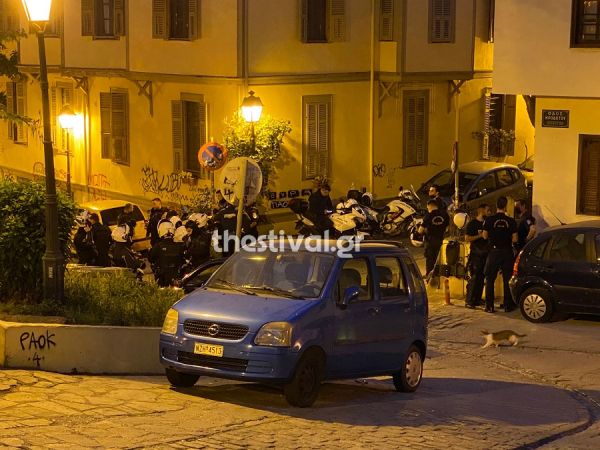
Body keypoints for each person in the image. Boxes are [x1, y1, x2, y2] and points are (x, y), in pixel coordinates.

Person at [482, 196, 518, 313]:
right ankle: (508, 305)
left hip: (494, 251)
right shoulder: (511, 221)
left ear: (496, 205)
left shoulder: (489, 220)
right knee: (507, 279)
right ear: (505, 206)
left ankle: (489, 306)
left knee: (490, 279)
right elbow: (515, 239)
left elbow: (485, 236)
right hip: (507, 252)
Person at [465, 204, 490, 309]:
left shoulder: (487, 223)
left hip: (485, 254)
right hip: (476, 254)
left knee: (481, 277)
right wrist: (480, 236)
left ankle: (477, 299)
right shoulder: (472, 224)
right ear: (481, 211)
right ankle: (469, 300)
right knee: (474, 278)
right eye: (487, 210)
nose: (489, 212)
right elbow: (467, 238)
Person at [418, 199, 450, 281]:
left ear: (429, 206)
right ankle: (439, 277)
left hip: (430, 241)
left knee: (430, 260)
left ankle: (430, 278)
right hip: (441, 240)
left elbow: (420, 230)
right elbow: (447, 228)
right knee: (439, 260)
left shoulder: (428, 216)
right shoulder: (445, 214)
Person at [149, 221, 185, 287]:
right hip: (176, 275)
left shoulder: (158, 246)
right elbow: (182, 259)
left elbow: (151, 259)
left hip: (162, 276)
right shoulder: (178, 245)